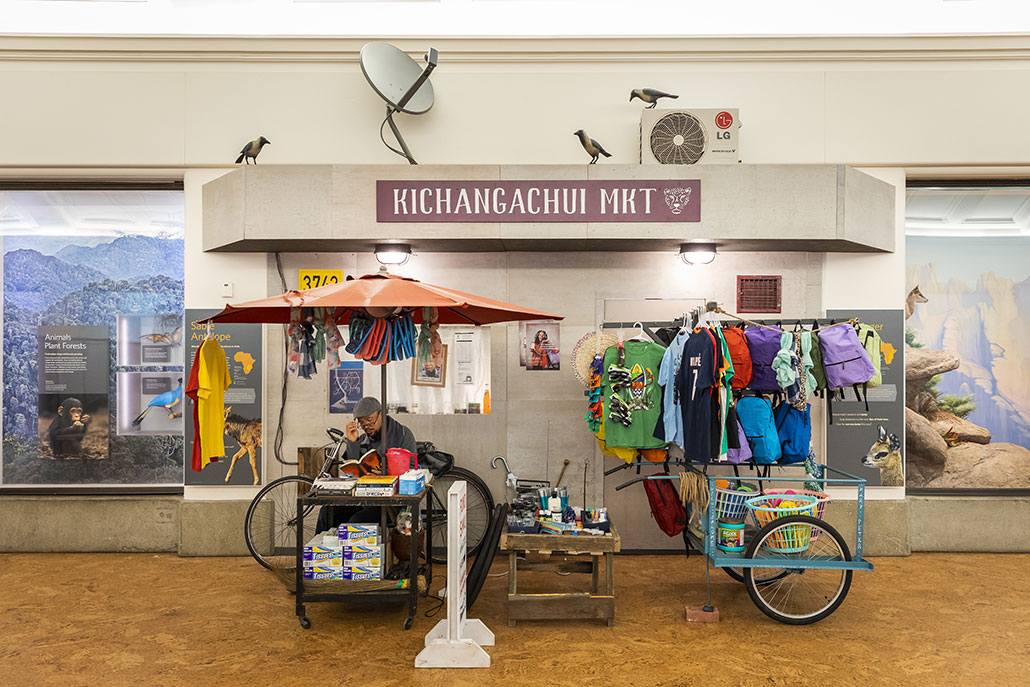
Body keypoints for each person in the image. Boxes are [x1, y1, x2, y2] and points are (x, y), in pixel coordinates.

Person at [315, 397, 416, 533]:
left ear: (381, 414)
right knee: (326, 512)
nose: (366, 425)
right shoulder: (362, 440)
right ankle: (323, 551)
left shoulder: (403, 434)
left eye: (369, 420)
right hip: (363, 498)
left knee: (355, 522)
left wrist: (385, 475)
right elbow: (351, 471)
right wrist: (353, 441)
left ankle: (348, 552)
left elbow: (411, 469)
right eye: (362, 422)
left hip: (389, 502)